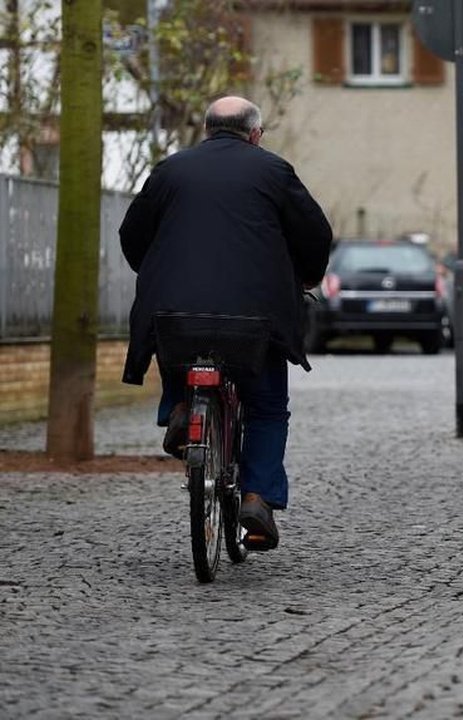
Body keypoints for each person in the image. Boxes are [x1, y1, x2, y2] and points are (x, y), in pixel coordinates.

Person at [119, 96, 333, 551]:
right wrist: (308, 275)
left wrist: (156, 272)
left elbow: (132, 234)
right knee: (268, 407)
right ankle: (257, 498)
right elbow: (314, 233)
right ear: (254, 134)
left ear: (205, 129)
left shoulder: (170, 170)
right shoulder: (274, 171)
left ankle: (180, 409)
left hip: (177, 314)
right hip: (255, 320)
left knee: (177, 340)